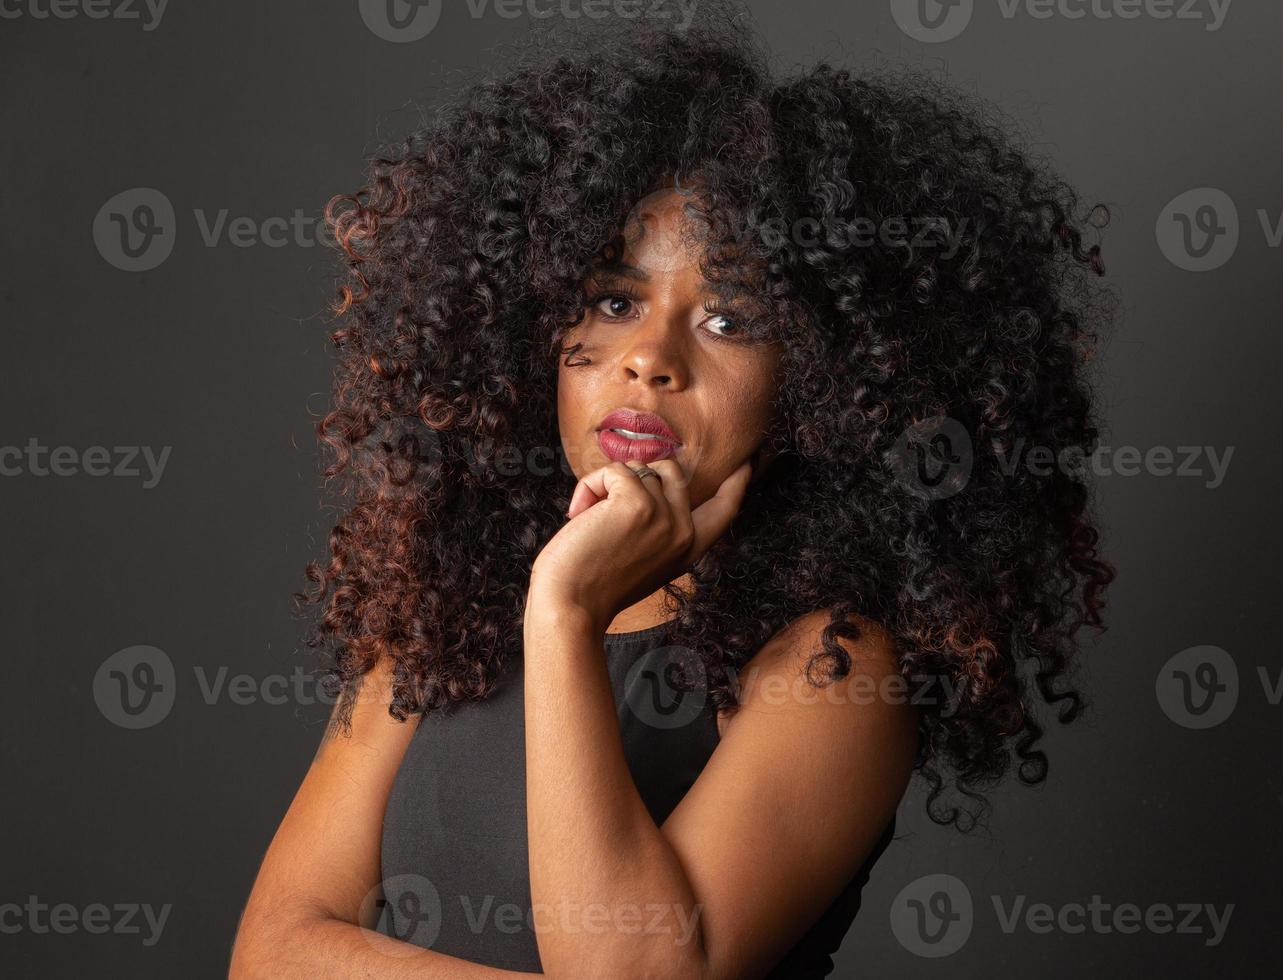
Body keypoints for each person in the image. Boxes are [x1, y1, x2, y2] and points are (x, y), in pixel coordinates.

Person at [230, 5, 1114, 977]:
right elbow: (272, 946)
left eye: (730, 317)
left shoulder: (836, 663)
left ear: (818, 379)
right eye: (614, 301)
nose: (651, 359)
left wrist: (565, 612)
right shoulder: (448, 599)